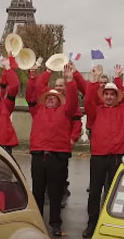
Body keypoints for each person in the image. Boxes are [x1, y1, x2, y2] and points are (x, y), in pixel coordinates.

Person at [82, 59, 124, 238]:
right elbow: (87, 101)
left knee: (114, 192)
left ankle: (111, 222)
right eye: (106, 94)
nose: (109, 96)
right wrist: (93, 81)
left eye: (112, 94)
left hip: (117, 156)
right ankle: (92, 224)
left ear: (117, 96)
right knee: (94, 193)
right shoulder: (96, 111)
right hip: (99, 157)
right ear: (103, 95)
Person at [26, 64, 79, 237]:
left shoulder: (66, 111)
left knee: (56, 193)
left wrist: (70, 81)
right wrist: (46, 71)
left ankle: (55, 223)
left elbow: (72, 101)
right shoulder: (37, 110)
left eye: (54, 98)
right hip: (39, 154)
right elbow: (36, 90)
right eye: (48, 97)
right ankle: (37, 221)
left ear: (59, 101)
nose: (50, 99)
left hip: (58, 155)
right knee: (38, 191)